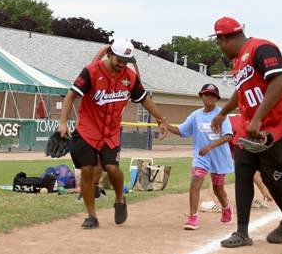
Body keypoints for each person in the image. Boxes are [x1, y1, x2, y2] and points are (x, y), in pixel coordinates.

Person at [210, 17, 282, 248]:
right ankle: (242, 232)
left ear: (224, 39)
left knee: (273, 179)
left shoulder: (261, 48)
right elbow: (241, 92)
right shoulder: (238, 64)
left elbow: (279, 81)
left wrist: (259, 117)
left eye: (219, 42)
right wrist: (223, 113)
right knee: (242, 170)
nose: (220, 47)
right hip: (253, 128)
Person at [57, 38, 170, 229]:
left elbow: (144, 99)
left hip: (111, 132)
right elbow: (71, 95)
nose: (122, 64)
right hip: (87, 130)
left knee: (112, 168)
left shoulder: (130, 77)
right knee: (86, 170)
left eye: (126, 61)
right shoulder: (91, 71)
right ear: (109, 54)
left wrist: (161, 119)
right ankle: (91, 215)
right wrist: (62, 122)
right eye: (119, 59)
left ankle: (119, 199)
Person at [164, 83, 233, 230]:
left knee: (217, 188)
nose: (209, 97)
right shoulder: (196, 115)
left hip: (219, 157)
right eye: (206, 94)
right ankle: (193, 217)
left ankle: (226, 207)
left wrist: (209, 147)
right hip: (201, 157)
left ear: (217, 99)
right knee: (195, 183)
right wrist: (166, 125)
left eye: (213, 95)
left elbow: (228, 136)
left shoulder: (221, 115)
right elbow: (181, 131)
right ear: (201, 96)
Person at [229, 114, 273, 209]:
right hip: (220, 135)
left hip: (232, 136)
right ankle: (208, 200)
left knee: (245, 168)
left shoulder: (252, 125)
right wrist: (264, 190)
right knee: (220, 169)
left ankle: (249, 198)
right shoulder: (249, 130)